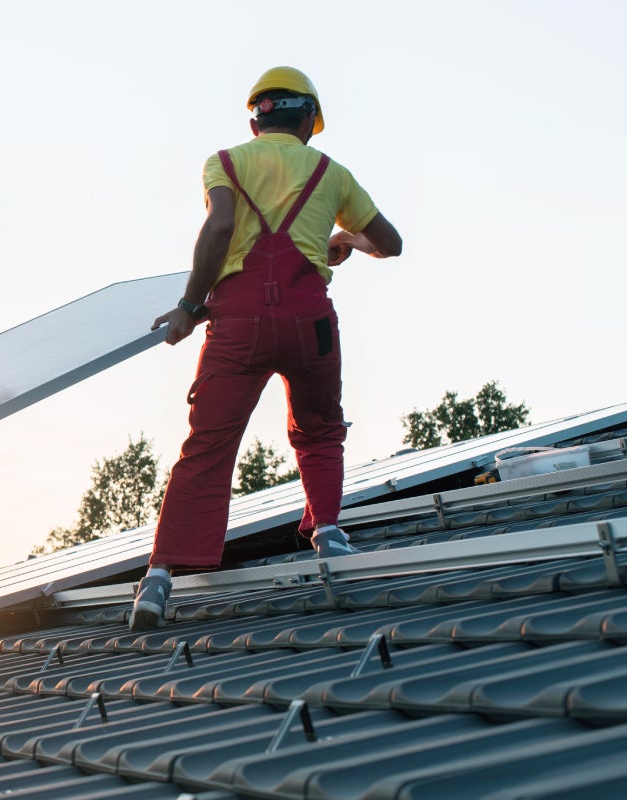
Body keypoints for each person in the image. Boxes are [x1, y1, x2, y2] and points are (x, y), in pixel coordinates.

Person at [132, 67, 404, 631]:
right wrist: (344, 240)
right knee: (320, 427)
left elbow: (219, 228)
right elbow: (390, 244)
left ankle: (159, 578)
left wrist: (189, 304)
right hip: (310, 323)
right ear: (307, 119)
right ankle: (328, 534)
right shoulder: (332, 172)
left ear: (257, 118)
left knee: (208, 442)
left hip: (237, 323)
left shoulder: (227, 162)